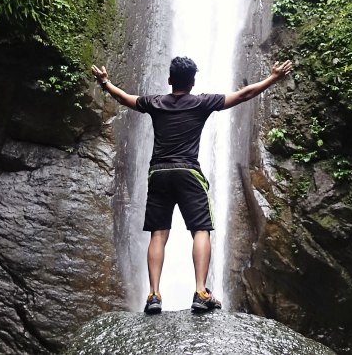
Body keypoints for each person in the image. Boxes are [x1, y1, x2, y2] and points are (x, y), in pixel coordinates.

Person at [90, 56, 293, 313]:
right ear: (193, 82)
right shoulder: (202, 102)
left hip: (159, 173)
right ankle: (200, 291)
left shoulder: (155, 102)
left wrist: (105, 82)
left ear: (169, 80)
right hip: (188, 172)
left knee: (159, 233)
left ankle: (153, 295)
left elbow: (124, 98)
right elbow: (243, 95)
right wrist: (273, 77)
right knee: (200, 229)